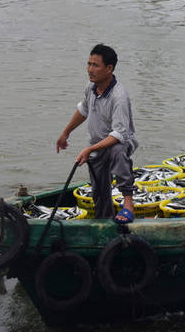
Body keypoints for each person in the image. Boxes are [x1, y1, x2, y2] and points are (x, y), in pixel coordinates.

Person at [56, 43, 138, 224]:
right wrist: (65, 133)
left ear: (109, 68)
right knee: (99, 193)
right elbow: (83, 110)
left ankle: (128, 204)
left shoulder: (119, 96)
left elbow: (119, 134)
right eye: (89, 64)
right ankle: (105, 221)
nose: (90, 69)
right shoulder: (91, 87)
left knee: (118, 150)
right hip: (97, 144)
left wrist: (88, 150)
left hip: (119, 142)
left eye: (95, 65)